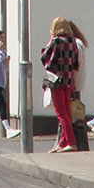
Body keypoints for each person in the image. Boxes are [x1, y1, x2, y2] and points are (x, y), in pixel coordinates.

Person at [40, 15, 79, 153]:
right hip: (68, 79)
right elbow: (75, 63)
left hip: (56, 80)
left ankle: (71, 142)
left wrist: (45, 47)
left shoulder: (56, 41)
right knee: (67, 111)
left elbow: (46, 60)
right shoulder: (73, 41)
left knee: (61, 113)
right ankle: (62, 142)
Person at [65, 22, 90, 152]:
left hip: (73, 84)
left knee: (73, 116)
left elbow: (76, 65)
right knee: (72, 115)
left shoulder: (76, 44)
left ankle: (78, 145)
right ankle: (72, 143)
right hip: (75, 83)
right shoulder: (77, 43)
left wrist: (73, 83)